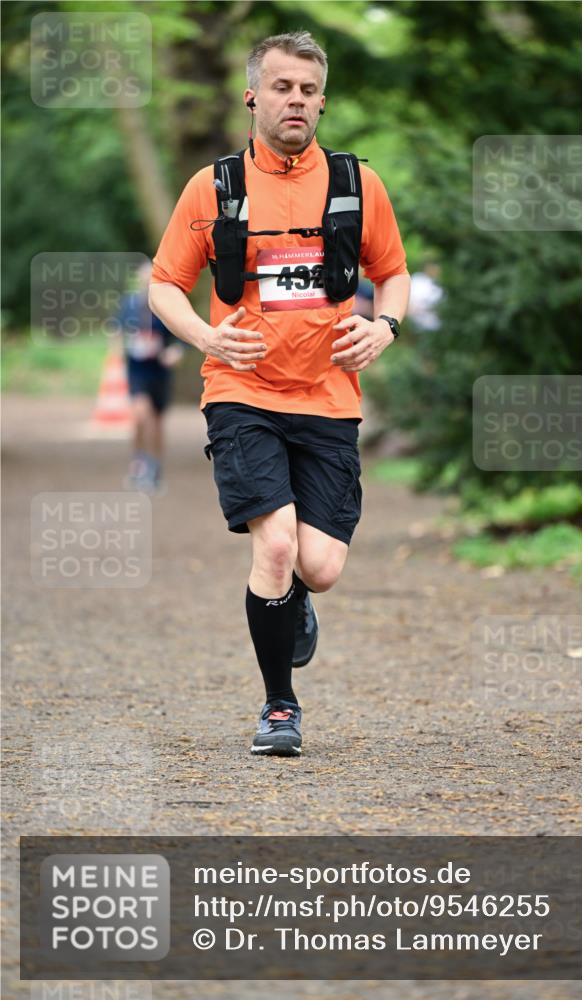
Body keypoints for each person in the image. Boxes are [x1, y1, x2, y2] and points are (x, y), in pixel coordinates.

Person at [149, 31, 410, 756]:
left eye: (306, 90)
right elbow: (165, 284)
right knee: (275, 547)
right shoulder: (214, 187)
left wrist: (384, 325)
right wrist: (205, 338)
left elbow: (393, 273)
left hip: (329, 395)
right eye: (281, 87)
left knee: (318, 567)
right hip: (240, 391)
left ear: (320, 101)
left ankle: (291, 600)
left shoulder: (357, 183)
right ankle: (277, 708)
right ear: (252, 95)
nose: (294, 100)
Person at [119, 261, 183, 493]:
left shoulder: (164, 305)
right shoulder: (129, 304)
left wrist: (175, 352)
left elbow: (180, 335)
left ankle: (155, 468)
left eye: (150, 280)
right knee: (140, 415)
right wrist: (120, 346)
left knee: (156, 422)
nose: (147, 284)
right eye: (143, 280)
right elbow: (117, 330)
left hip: (160, 371)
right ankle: (138, 463)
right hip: (137, 370)